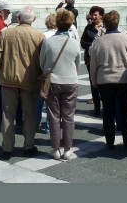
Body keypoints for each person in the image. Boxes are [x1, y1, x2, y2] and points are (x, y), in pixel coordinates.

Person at [0, 5, 45, 159]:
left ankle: (7, 147)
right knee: (29, 115)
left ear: (19, 18)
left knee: (7, 115)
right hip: (29, 82)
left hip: (8, 81)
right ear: (33, 19)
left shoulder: (6, 33)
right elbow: (42, 61)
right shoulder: (39, 36)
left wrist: (4, 67)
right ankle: (29, 146)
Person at [89, 10, 127, 150]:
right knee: (126, 111)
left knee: (108, 112)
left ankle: (109, 141)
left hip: (105, 81)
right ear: (117, 22)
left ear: (105, 24)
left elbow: (93, 65)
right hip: (124, 79)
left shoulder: (98, 42)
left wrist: (94, 82)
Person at [40, 9, 82, 161]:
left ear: (57, 24)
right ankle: (68, 149)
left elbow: (42, 62)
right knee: (69, 117)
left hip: (53, 81)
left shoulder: (48, 42)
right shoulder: (74, 43)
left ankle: (55, 148)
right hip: (70, 81)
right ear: (70, 25)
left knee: (53, 116)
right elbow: (77, 65)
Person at [81, 5, 105, 115]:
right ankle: (96, 106)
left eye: (95, 15)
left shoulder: (106, 27)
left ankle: (106, 105)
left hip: (104, 60)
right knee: (93, 83)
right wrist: (94, 45)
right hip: (90, 59)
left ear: (101, 16)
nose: (93, 17)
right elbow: (82, 42)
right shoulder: (88, 28)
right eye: (92, 15)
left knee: (104, 83)